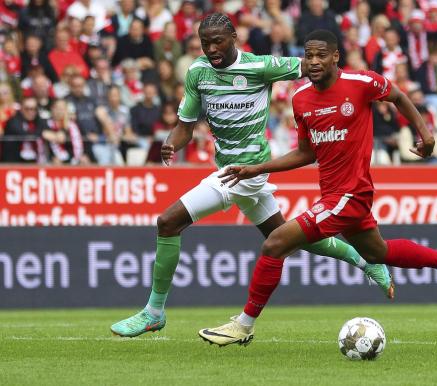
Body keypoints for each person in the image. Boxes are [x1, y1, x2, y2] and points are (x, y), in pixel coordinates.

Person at [110, 14, 393, 338]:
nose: (212, 48)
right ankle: (365, 261)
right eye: (206, 43)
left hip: (245, 173)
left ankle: (154, 312)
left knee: (168, 222)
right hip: (231, 171)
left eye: (218, 41)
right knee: (290, 238)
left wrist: (352, 94)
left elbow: (316, 66)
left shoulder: (261, 66)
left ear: (234, 37)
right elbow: (185, 127)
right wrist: (171, 144)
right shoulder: (197, 72)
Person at [200, 29, 437, 347]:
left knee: (275, 243)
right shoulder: (301, 99)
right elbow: (306, 152)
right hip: (334, 195)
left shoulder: (362, 84)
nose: (314, 61)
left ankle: (243, 325)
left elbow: (400, 97)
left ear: (336, 56)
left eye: (322, 55)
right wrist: (257, 168)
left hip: (351, 194)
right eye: (309, 55)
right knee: (379, 251)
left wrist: (425, 134)